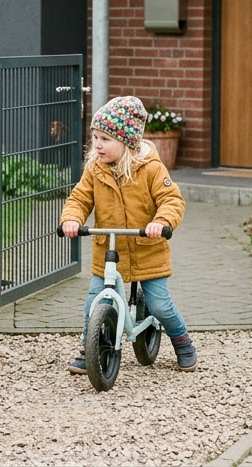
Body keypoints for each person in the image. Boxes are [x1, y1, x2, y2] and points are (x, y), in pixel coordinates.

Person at [60, 96, 196, 373]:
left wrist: (161, 221)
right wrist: (71, 219)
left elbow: (171, 200)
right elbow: (79, 199)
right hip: (108, 253)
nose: (97, 145)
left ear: (127, 142)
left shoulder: (151, 169)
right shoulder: (95, 170)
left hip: (148, 250)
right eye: (95, 138)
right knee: (94, 302)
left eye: (105, 139)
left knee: (160, 305)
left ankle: (182, 342)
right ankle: (89, 350)